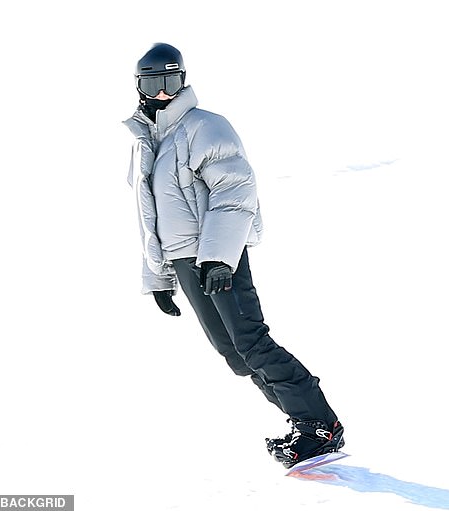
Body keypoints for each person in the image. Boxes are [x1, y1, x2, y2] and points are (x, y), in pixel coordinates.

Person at [123, 42, 344, 468]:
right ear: (141, 87)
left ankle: (319, 424)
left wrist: (220, 258)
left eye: (172, 81)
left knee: (251, 342)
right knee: (234, 354)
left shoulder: (205, 126)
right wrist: (159, 277)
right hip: (185, 261)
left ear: (183, 81)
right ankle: (305, 425)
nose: (164, 92)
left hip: (218, 255)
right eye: (154, 83)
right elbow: (148, 217)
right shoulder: (145, 144)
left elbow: (235, 190)